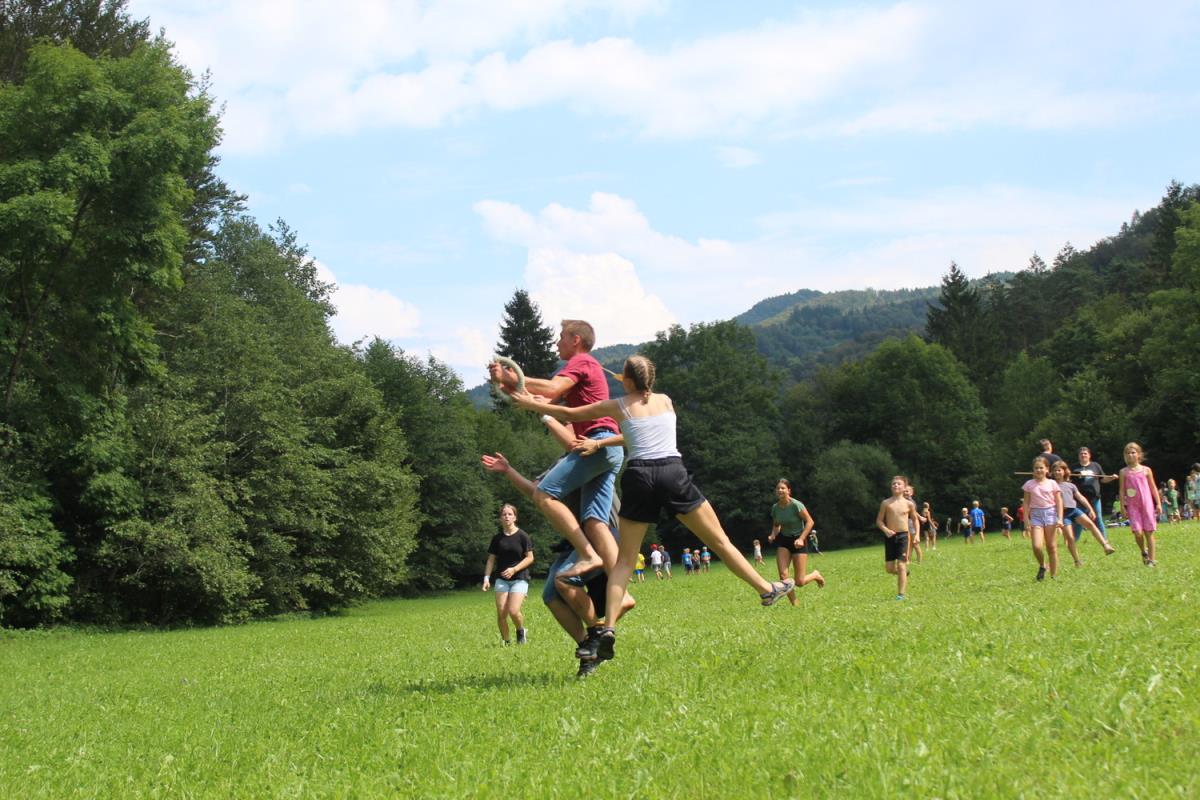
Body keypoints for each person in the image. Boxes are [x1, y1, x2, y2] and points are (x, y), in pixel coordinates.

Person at [511, 355, 795, 661]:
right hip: (673, 473)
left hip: (640, 477)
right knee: (721, 543)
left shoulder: (618, 405)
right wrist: (603, 440)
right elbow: (641, 430)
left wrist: (534, 405)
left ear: (627, 380)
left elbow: (569, 412)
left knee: (624, 562)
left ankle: (608, 628)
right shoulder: (666, 401)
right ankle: (765, 589)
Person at [489, 320, 623, 580]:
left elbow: (551, 388)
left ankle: (588, 555)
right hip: (611, 449)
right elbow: (541, 399)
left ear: (576, 340)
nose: (556, 342)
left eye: (561, 337)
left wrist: (510, 377)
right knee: (595, 522)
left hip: (597, 442)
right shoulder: (583, 370)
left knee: (543, 495)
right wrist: (507, 383)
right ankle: (621, 588)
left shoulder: (582, 361)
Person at [480, 451, 633, 676]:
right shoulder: (563, 462)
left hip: (604, 534)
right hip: (577, 538)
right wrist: (508, 470)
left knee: (565, 579)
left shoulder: (591, 452)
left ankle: (596, 635)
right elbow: (536, 492)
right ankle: (589, 650)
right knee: (551, 595)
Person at [482, 504, 534, 645]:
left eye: (510, 514)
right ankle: (506, 642)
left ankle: (521, 631)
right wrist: (486, 578)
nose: (507, 516)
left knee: (513, 610)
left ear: (515, 517)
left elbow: (530, 558)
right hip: (502, 580)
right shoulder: (497, 539)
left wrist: (514, 569)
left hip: (519, 578)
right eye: (504, 514)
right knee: (501, 613)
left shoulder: (523, 536)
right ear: (500, 518)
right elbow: (491, 560)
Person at [767, 478, 826, 606]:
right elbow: (776, 524)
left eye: (783, 488)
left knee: (799, 582)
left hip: (799, 540)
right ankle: (795, 605)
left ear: (789, 490)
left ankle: (815, 575)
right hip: (784, 540)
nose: (780, 490)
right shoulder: (775, 508)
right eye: (778, 488)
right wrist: (773, 534)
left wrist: (801, 538)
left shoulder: (796, 505)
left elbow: (810, 522)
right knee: (783, 576)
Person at [1051, 461, 1115, 565]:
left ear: (1064, 471)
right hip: (1063, 515)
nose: (1057, 472)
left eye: (1059, 470)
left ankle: (1105, 545)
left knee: (1091, 525)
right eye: (1055, 471)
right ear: (1052, 473)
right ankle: (1077, 560)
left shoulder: (1071, 485)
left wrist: (1090, 509)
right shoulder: (1051, 485)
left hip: (1074, 510)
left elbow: (1081, 498)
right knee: (1070, 538)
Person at [877, 476, 920, 600]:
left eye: (898, 484)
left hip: (903, 536)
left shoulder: (909, 504)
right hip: (890, 536)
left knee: (901, 565)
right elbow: (879, 521)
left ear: (904, 487)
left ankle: (901, 595)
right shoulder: (886, 503)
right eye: (893, 484)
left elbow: (915, 520)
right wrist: (886, 530)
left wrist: (917, 535)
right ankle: (904, 573)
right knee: (889, 569)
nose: (895, 485)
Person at [1118, 442, 1161, 566]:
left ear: (1139, 454)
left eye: (1133, 452)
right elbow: (1122, 490)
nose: (1130, 455)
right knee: (1138, 532)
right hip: (1133, 506)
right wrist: (1122, 506)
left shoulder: (1146, 470)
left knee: (1149, 532)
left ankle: (1152, 560)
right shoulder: (1123, 472)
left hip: (1147, 504)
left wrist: (1158, 503)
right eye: (1128, 453)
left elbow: (1153, 487)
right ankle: (1143, 551)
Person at [1022, 456, 1063, 581]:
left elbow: (1059, 501)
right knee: (1037, 546)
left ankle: (1053, 575)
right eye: (1036, 468)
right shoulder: (1029, 484)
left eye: (1041, 468)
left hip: (1050, 514)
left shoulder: (1052, 483)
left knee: (1051, 546)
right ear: (1033, 470)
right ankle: (1042, 565)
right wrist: (1026, 520)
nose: (1039, 470)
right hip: (1036, 516)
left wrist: (1060, 518)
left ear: (1047, 469)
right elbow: (1026, 503)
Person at [1073, 447, 1116, 542]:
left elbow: (1103, 479)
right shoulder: (1074, 468)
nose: (1083, 455)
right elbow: (1068, 480)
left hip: (1095, 498)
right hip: (1080, 500)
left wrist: (1111, 478)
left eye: (1085, 453)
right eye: (1081, 454)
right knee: (1079, 520)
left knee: (1098, 519)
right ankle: (1073, 541)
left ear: (1089, 455)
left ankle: (1104, 541)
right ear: (1078, 456)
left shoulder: (1095, 466)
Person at [904, 484, 924, 564]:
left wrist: (920, 517)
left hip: (911, 522)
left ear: (911, 493)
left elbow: (914, 513)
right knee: (909, 543)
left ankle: (919, 560)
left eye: (907, 491)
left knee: (915, 543)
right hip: (906, 522)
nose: (905, 492)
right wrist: (920, 517)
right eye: (904, 491)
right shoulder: (904, 501)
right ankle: (908, 559)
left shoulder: (910, 502)